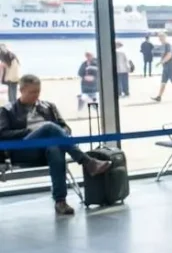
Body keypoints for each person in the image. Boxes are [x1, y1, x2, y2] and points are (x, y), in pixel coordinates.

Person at [0, 74, 111, 216]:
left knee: (55, 149)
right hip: (23, 150)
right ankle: (87, 162)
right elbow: (2, 134)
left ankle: (60, 202)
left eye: (38, 91)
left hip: (46, 150)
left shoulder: (49, 107)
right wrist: (30, 131)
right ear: (21, 90)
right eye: (32, 92)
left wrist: (57, 132)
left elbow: (65, 129)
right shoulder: (8, 110)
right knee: (49, 127)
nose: (36, 95)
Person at [151, 34, 172, 102]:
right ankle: (159, 97)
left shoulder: (168, 45)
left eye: (161, 37)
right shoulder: (164, 45)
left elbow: (169, 55)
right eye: (159, 38)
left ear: (164, 37)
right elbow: (165, 55)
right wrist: (162, 62)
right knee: (163, 82)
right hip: (166, 67)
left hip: (170, 66)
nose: (160, 39)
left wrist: (161, 62)